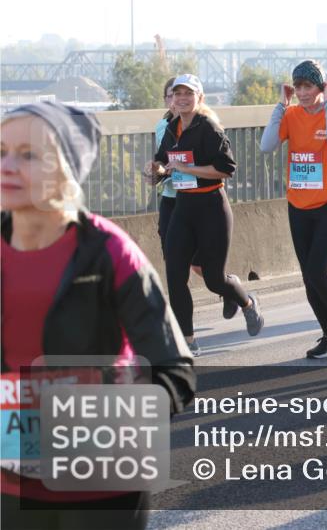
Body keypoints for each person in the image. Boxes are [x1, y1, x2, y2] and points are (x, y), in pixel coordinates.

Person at [1, 101, 195, 529]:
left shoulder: (108, 251)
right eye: (1, 152)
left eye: (29, 154)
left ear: (65, 169)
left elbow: (175, 372)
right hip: (14, 484)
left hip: (103, 481)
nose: (8, 166)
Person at [149, 74, 263, 356]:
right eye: (178, 94)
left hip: (212, 207)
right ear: (172, 98)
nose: (182, 98)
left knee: (214, 279)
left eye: (189, 94)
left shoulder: (208, 128)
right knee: (175, 276)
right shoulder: (172, 127)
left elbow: (227, 168)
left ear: (199, 98)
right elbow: (163, 159)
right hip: (183, 208)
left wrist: (189, 170)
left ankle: (247, 303)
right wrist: (156, 169)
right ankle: (187, 341)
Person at [260, 60, 327, 359]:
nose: (301, 92)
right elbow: (266, 145)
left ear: (321, 87)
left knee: (317, 270)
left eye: (308, 86)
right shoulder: (290, 114)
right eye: (297, 86)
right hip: (298, 206)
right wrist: (279, 105)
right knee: (307, 276)